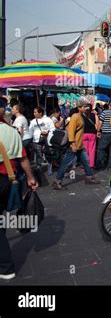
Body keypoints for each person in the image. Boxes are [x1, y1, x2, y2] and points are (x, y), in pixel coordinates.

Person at [0, 120, 38, 280]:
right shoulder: (11, 131)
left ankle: (6, 267)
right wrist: (31, 178)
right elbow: (23, 158)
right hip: (9, 179)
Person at [52, 100, 99, 190]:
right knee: (66, 163)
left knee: (86, 161)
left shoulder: (80, 116)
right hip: (74, 145)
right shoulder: (75, 117)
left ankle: (89, 177)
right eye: (85, 107)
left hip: (80, 145)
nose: (87, 108)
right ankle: (57, 181)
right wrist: (73, 144)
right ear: (80, 107)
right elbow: (71, 131)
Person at [96, 102, 111, 170]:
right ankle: (109, 166)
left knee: (101, 149)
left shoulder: (104, 112)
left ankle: (100, 165)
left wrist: (98, 131)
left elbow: (100, 122)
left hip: (105, 133)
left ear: (109, 106)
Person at [82, 104, 100, 171]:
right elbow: (97, 124)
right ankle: (91, 165)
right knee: (92, 150)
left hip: (84, 134)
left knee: (85, 151)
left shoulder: (82, 116)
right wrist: (97, 132)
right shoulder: (94, 115)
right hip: (92, 134)